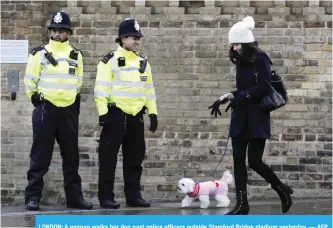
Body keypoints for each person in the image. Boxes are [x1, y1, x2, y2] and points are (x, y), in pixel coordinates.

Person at [209, 16, 293, 215]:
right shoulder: (240, 61)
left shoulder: (261, 58)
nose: (235, 48)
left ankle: (281, 189)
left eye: (237, 44)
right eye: (232, 44)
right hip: (240, 116)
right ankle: (241, 205)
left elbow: (264, 86)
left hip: (257, 117)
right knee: (238, 160)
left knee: (254, 161)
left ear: (247, 42)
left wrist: (242, 97)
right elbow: (244, 88)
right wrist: (229, 96)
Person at [23, 11, 93, 211]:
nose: (56, 33)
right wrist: (34, 97)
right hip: (46, 109)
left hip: (69, 111)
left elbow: (78, 82)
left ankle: (74, 199)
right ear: (49, 31)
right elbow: (29, 80)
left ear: (68, 33)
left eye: (61, 30)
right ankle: (33, 197)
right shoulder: (39, 53)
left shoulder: (76, 55)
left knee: (71, 158)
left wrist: (72, 103)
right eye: (54, 29)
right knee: (40, 156)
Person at [94, 18, 158, 209]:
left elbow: (149, 91)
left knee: (135, 159)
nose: (137, 40)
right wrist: (103, 113)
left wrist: (153, 113)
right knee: (108, 159)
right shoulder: (109, 60)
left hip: (136, 117)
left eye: (139, 37)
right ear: (122, 39)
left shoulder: (143, 63)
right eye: (133, 37)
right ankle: (106, 197)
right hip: (115, 115)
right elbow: (101, 88)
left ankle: (134, 196)